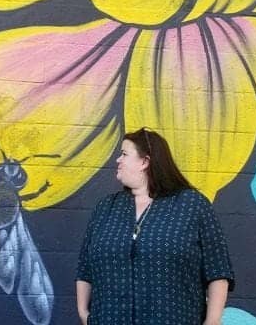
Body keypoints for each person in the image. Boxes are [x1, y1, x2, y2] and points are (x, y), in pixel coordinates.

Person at [75, 128, 234, 325]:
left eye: (124, 154)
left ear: (145, 162)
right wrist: (83, 313)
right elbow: (85, 268)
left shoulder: (191, 205)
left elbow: (218, 270)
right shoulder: (106, 208)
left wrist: (212, 321)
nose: (118, 160)